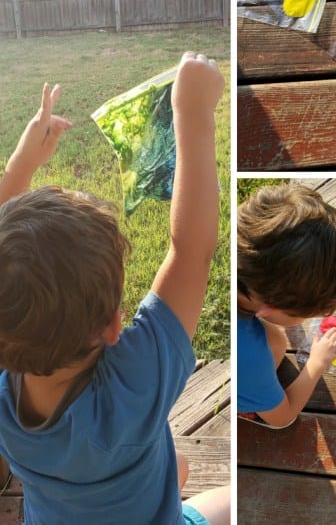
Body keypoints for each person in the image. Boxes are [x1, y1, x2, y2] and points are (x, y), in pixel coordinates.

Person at [0, 53, 230, 525]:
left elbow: (190, 253)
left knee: (176, 467)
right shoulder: (133, 387)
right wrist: (193, 113)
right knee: (233, 496)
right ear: (112, 326)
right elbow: (191, 253)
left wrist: (23, 163)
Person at [237, 182, 336, 429]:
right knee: (274, 344)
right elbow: (283, 418)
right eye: (306, 315)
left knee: (276, 341)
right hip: (253, 387)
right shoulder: (248, 355)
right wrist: (316, 363)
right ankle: (247, 409)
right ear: (270, 307)